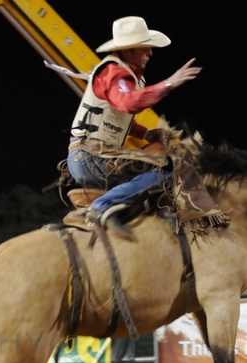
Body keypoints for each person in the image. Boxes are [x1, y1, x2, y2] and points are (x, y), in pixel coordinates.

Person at [65, 16, 201, 238]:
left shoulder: (124, 77)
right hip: (93, 158)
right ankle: (102, 206)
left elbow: (119, 118)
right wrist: (169, 83)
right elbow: (128, 102)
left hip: (90, 157)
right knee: (168, 168)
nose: (150, 53)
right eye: (145, 48)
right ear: (128, 50)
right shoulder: (113, 73)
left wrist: (147, 133)